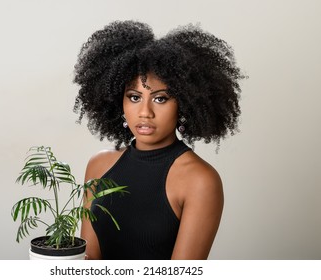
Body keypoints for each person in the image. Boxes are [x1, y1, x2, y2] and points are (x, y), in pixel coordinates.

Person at [73, 20, 244, 260]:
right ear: (117, 100)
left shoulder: (200, 180)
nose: (145, 112)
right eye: (134, 97)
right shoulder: (99, 166)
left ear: (184, 102)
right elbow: (87, 263)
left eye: (160, 98)